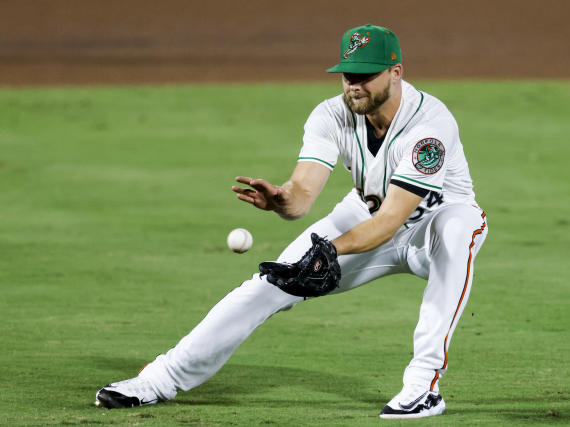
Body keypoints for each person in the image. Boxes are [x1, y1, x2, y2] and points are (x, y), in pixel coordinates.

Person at [95, 24, 488, 419]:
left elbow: (391, 221)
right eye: (348, 76)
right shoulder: (331, 114)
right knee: (271, 283)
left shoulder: (429, 128)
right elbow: (302, 197)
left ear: (396, 72)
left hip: (429, 228)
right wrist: (281, 200)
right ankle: (159, 379)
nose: (354, 86)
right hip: (363, 215)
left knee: (455, 232)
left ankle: (423, 386)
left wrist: (330, 250)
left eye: (366, 76)